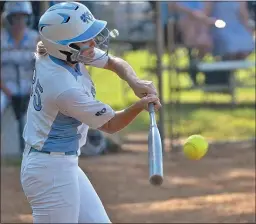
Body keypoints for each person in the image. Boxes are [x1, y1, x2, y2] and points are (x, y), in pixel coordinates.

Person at [20, 2, 161, 223]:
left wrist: (134, 81)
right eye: (86, 38)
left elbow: (113, 62)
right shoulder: (64, 87)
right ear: (66, 46)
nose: (93, 43)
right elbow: (110, 124)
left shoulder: (61, 53)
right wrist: (140, 106)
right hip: (50, 171)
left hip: (62, 164)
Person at [1, 1, 39, 115]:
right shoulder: (1, 38)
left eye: (23, 18)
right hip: (6, 87)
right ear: (8, 19)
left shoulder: (36, 38)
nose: (19, 22)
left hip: (30, 86)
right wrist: (6, 90)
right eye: (15, 18)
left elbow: (42, 67)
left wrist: (33, 88)